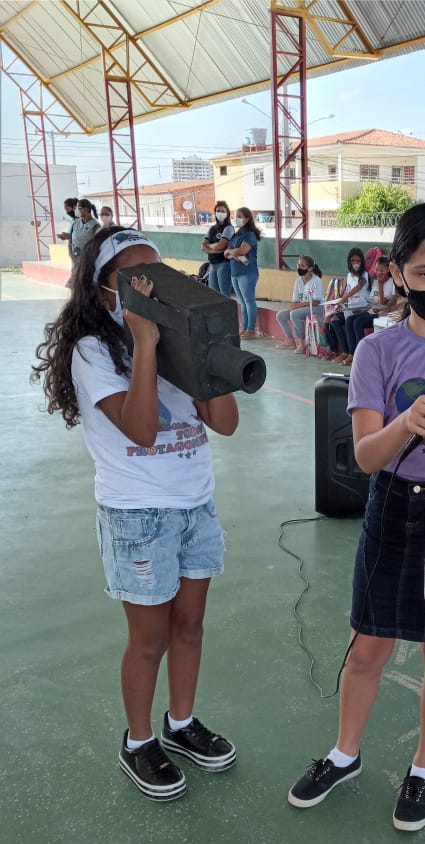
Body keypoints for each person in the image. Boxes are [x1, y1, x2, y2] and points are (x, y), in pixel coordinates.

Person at [288, 202, 425, 831]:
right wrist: (406, 423)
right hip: (393, 506)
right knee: (368, 645)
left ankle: (424, 768)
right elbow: (364, 456)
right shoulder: (376, 351)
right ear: (398, 273)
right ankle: (345, 753)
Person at [32, 226, 240, 802]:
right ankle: (139, 741)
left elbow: (224, 422)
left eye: (157, 274)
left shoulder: (176, 341)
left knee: (190, 626)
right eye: (135, 279)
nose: (151, 287)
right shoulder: (93, 351)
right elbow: (142, 431)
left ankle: (180, 723)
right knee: (149, 640)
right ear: (105, 291)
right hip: (138, 515)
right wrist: (145, 345)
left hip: (195, 504)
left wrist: (204, 349)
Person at [338, 255, 400, 365]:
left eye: (381, 270)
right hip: (372, 311)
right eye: (377, 270)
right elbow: (371, 301)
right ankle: (352, 354)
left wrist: (380, 285)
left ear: (388, 270)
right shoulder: (375, 282)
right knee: (350, 319)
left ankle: (361, 355)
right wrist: (362, 310)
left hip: (382, 314)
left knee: (358, 322)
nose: (378, 273)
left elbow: (382, 304)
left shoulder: (391, 282)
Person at [322, 247, 372, 358]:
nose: (355, 263)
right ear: (349, 262)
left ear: (362, 262)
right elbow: (347, 290)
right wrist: (339, 301)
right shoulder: (349, 275)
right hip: (350, 307)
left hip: (362, 307)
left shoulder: (364, 274)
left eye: (358, 261)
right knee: (331, 319)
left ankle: (350, 353)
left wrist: (344, 299)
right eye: (353, 261)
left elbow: (359, 286)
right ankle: (338, 351)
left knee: (345, 320)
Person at [275, 255, 324, 353]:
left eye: (302, 266)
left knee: (294, 314)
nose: (299, 268)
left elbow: (316, 302)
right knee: (281, 315)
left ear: (310, 268)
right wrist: (294, 306)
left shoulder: (316, 281)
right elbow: (296, 300)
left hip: (316, 308)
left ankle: (302, 343)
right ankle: (290, 340)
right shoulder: (298, 281)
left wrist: (298, 306)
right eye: (298, 265)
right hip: (304, 308)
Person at [224, 207, 259, 338]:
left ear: (247, 218)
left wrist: (232, 252)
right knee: (242, 301)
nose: (236, 218)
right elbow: (226, 253)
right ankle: (244, 328)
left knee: (249, 300)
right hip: (235, 271)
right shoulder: (236, 234)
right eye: (235, 216)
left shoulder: (250, 235)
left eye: (239, 216)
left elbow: (242, 251)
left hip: (247, 272)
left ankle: (251, 329)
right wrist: (233, 253)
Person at [201, 201, 234, 297]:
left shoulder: (228, 228)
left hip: (224, 264)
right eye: (218, 211)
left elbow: (221, 245)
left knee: (224, 294)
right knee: (213, 293)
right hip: (212, 264)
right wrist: (214, 250)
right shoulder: (212, 229)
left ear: (227, 213)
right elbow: (203, 246)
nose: (220, 213)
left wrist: (209, 246)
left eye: (223, 211)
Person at [69, 199, 101, 263]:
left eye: (78, 208)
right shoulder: (75, 223)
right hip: (75, 261)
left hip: (88, 261)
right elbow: (70, 240)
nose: (76, 210)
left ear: (85, 209)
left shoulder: (95, 225)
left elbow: (98, 245)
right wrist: (71, 256)